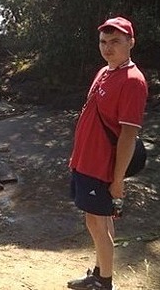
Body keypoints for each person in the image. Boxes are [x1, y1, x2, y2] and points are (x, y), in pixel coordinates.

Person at [68, 17, 148, 290]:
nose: (108, 48)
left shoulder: (133, 81)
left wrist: (117, 180)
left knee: (95, 221)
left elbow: (128, 135)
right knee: (100, 219)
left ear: (131, 42)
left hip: (101, 166)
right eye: (104, 42)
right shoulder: (105, 71)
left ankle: (105, 282)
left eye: (115, 41)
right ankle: (100, 272)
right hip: (85, 160)